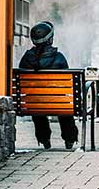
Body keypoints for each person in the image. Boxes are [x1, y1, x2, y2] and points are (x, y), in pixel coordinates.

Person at [20, 21, 79, 149]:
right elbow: (66, 84)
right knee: (63, 105)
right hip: (58, 102)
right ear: (50, 40)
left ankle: (44, 139)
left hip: (33, 103)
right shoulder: (59, 58)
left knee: (37, 105)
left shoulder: (26, 58)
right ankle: (69, 139)